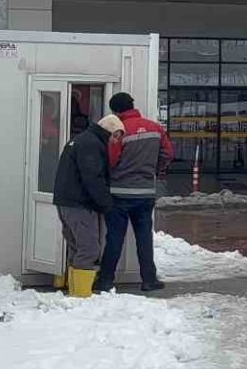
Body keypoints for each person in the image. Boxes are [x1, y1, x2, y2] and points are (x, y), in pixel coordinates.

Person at [98, 92, 174, 292]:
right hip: (145, 193)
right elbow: (168, 153)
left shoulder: (119, 131)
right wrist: (154, 170)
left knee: (115, 238)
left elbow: (112, 160)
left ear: (115, 111)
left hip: (119, 193)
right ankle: (149, 279)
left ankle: (105, 280)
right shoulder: (155, 128)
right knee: (144, 238)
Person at [53, 113, 122, 297]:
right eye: (116, 136)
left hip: (66, 202)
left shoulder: (81, 140)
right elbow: (93, 178)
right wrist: (106, 203)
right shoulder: (92, 145)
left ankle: (74, 291)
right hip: (80, 204)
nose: (116, 141)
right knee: (89, 248)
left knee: (76, 246)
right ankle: (81, 295)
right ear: (109, 131)